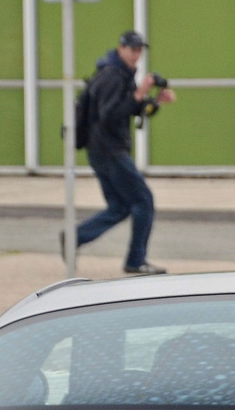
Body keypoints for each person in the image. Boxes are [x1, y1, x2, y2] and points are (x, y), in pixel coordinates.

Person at [71, 31, 175, 275]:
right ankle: (135, 260)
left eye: (139, 50)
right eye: (132, 49)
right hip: (109, 150)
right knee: (143, 201)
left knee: (119, 206)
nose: (136, 55)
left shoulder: (120, 74)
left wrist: (154, 101)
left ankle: (75, 237)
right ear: (121, 48)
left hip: (102, 150)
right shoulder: (112, 76)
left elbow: (131, 109)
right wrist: (139, 93)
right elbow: (110, 115)